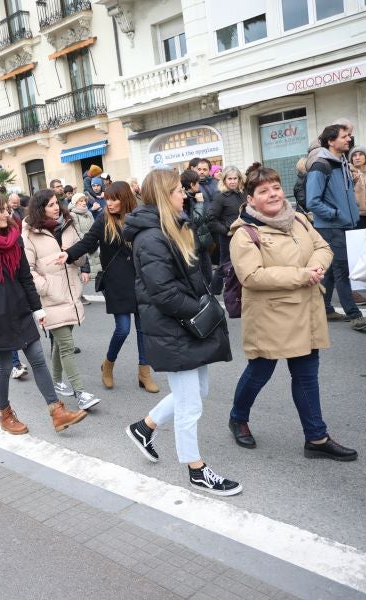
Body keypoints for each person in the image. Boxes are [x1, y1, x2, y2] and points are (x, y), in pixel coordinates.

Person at [123, 169, 241, 496]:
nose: (184, 195)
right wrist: (203, 312)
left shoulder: (171, 226)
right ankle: (196, 469)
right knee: (191, 404)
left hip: (182, 325)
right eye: (177, 191)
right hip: (173, 327)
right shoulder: (150, 237)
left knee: (197, 392)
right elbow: (163, 293)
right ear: (163, 195)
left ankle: (143, 428)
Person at [228, 164, 357, 461]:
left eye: (275, 187)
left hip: (307, 311)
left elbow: (323, 247)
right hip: (270, 316)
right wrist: (302, 274)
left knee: (307, 377)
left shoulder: (298, 218)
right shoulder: (244, 233)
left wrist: (315, 267)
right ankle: (238, 417)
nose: (273, 194)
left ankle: (316, 437)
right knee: (260, 372)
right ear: (250, 199)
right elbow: (252, 277)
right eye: (263, 191)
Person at [0, 192, 87, 435]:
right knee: (5, 367)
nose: (8, 214)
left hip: (20, 309)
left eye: (8, 209)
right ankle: (4, 413)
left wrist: (37, 309)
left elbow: (25, 277)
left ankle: (57, 411)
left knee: (37, 358)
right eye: (2, 211)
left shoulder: (14, 239)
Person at [59, 181, 160, 393]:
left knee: (144, 329)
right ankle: (108, 365)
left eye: (114, 199)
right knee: (123, 329)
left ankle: (144, 373)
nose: (110, 202)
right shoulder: (104, 220)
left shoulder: (139, 218)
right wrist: (68, 254)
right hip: (116, 282)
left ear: (126, 199)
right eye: (107, 198)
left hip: (140, 280)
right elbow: (87, 242)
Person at [23, 190, 100, 410]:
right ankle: (81, 393)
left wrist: (74, 256)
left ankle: (56, 380)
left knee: (59, 342)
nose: (56, 207)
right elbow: (27, 270)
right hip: (49, 298)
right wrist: (46, 287)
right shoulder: (29, 234)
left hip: (70, 293)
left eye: (57, 203)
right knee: (66, 344)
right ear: (40, 208)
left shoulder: (67, 224)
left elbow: (81, 254)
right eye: (50, 205)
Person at [306, 124, 366, 331]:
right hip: (331, 226)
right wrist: (335, 214)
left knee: (332, 272)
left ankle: (325, 309)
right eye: (344, 136)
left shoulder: (342, 162)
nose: (349, 139)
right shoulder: (321, 165)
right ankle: (355, 315)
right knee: (342, 269)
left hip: (344, 224)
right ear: (330, 141)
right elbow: (312, 202)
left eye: (349, 136)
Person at [207, 166, 245, 293]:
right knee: (224, 265)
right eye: (230, 179)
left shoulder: (243, 194)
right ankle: (213, 291)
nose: (233, 181)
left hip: (243, 235)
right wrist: (225, 231)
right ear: (224, 180)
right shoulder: (220, 197)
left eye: (235, 178)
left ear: (239, 180)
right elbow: (211, 219)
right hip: (227, 237)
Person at [350, 145, 366, 229]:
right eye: (354, 155)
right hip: (355, 216)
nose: (357, 157)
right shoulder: (348, 173)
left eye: (360, 154)